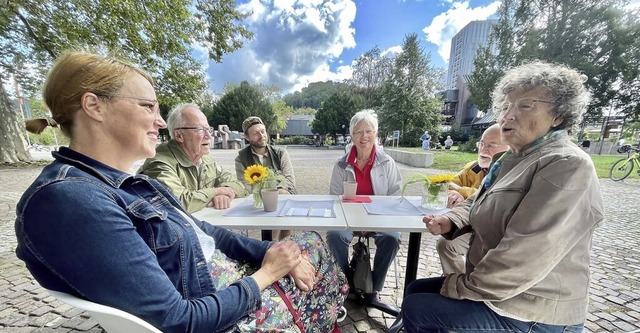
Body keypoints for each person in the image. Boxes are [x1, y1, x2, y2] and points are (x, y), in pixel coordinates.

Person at [16, 51, 347, 333]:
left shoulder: (127, 184)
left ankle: (318, 313)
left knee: (306, 244)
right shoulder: (68, 200)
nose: (160, 122)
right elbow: (178, 320)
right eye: (148, 106)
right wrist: (270, 271)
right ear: (94, 106)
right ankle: (317, 316)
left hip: (220, 282)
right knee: (311, 250)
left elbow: (207, 230)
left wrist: (266, 253)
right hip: (218, 309)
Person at [402, 61, 604, 333]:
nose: (508, 116)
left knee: (419, 308)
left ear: (558, 115)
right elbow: (479, 200)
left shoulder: (567, 164)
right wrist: (451, 221)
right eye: (506, 106)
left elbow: (524, 255)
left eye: (525, 105)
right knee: (414, 289)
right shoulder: (513, 159)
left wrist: (459, 286)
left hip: (533, 310)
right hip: (504, 294)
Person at [326, 109, 402, 303]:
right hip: (348, 219)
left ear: (376, 134)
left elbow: (395, 196)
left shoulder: (387, 162)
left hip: (379, 218)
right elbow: (334, 198)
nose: (364, 136)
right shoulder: (341, 165)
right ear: (352, 136)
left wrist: (374, 219)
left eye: (369, 131)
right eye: (359, 132)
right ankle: (347, 281)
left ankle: (374, 287)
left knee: (392, 237)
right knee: (335, 236)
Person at [139, 104, 246, 213]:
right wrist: (215, 192)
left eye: (208, 129)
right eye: (200, 129)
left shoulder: (206, 160)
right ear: (179, 135)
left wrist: (224, 194)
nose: (208, 135)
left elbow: (239, 186)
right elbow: (178, 202)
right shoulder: (159, 163)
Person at [437, 124, 508, 274]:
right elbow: (450, 184)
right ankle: (455, 283)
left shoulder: (509, 172)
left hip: (497, 235)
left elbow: (488, 198)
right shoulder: (474, 167)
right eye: (481, 143)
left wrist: (462, 192)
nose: (483, 150)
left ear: (510, 147)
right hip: (471, 227)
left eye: (491, 145)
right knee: (445, 243)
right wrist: (454, 194)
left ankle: (466, 287)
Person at [235, 116, 296, 240]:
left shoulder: (281, 153)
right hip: (256, 201)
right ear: (247, 137)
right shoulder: (241, 159)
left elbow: (289, 180)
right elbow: (244, 186)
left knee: (282, 196)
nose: (261, 135)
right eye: (256, 133)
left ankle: (278, 244)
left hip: (282, 197)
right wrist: (264, 195)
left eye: (263, 131)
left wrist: (273, 193)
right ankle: (277, 245)